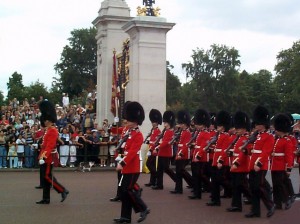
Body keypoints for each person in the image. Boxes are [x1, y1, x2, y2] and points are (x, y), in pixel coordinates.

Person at [114, 101, 150, 224]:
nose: (126, 121)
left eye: (128, 120)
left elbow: (132, 153)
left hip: (133, 168)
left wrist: (122, 163)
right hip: (127, 167)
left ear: (135, 121)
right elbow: (125, 150)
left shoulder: (138, 135)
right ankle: (125, 217)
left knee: (126, 190)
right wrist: (119, 159)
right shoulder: (129, 132)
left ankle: (143, 208)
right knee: (124, 192)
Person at [36, 100, 69, 205]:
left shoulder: (53, 131)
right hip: (44, 156)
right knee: (45, 179)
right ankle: (46, 198)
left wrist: (44, 157)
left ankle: (62, 190)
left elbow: (50, 146)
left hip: (48, 158)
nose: (44, 122)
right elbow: (46, 144)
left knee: (47, 177)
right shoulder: (48, 130)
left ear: (48, 120)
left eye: (45, 120)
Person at [245, 105, 275, 218]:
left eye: (259, 124)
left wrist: (259, 163)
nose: (257, 125)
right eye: (256, 124)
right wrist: (246, 147)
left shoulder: (269, 137)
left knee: (259, 187)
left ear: (264, 124)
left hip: (260, 165)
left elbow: (266, 152)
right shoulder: (256, 136)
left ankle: (270, 205)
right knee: (253, 188)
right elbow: (252, 149)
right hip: (252, 164)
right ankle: (255, 210)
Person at [227, 111, 252, 212]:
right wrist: (231, 153)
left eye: (238, 128)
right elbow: (237, 151)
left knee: (239, 185)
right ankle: (236, 205)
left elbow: (243, 153)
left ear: (244, 129)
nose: (236, 130)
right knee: (236, 185)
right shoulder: (238, 138)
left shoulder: (246, 139)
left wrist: (236, 163)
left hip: (241, 165)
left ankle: (249, 200)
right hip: (236, 163)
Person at [206, 111, 232, 206]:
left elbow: (225, 150)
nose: (217, 127)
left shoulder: (226, 136)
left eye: (219, 126)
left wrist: (220, 160)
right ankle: (215, 200)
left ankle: (231, 189)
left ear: (224, 127)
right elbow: (217, 148)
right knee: (215, 181)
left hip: (221, 161)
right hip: (215, 160)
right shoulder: (219, 135)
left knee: (219, 180)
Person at [270, 114, 294, 210]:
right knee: (275, 185)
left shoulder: (287, 141)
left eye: (277, 129)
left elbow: (289, 155)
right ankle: (277, 203)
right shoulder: (277, 139)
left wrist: (288, 168)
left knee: (280, 184)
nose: (275, 130)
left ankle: (286, 199)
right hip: (274, 165)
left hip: (281, 165)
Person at [189, 109, 211, 199]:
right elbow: (198, 145)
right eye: (197, 124)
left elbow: (203, 146)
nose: (197, 126)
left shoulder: (206, 133)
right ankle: (196, 193)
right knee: (195, 175)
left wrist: (198, 156)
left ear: (204, 124)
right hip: (196, 155)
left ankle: (200, 192)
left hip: (201, 157)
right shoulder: (198, 132)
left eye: (199, 124)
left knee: (199, 175)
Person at [151, 111, 177, 190]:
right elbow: (162, 140)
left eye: (165, 122)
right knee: (159, 169)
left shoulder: (170, 131)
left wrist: (157, 148)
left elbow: (166, 142)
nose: (164, 124)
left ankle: (176, 179)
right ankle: (159, 185)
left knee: (166, 169)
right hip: (161, 153)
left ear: (169, 123)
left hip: (166, 153)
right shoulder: (165, 131)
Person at [170, 110, 193, 194]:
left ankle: (189, 184)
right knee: (179, 172)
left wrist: (180, 153)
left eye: (181, 123)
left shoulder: (187, 132)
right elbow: (180, 143)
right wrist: (175, 141)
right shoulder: (182, 131)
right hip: (180, 153)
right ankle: (178, 188)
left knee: (181, 171)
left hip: (184, 154)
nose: (180, 125)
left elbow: (186, 145)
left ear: (185, 124)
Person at [144, 109, 162, 187]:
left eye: (153, 122)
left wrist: (152, 149)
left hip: (153, 150)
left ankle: (157, 176)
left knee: (148, 164)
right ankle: (152, 181)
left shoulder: (158, 131)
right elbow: (152, 140)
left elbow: (157, 142)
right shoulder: (153, 130)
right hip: (150, 149)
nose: (152, 123)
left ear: (157, 122)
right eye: (152, 122)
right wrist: (147, 141)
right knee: (152, 165)